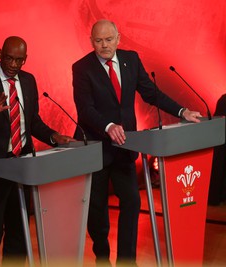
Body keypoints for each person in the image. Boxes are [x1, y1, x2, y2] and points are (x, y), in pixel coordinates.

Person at [72, 19, 201, 266]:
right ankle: (101, 257)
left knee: (131, 200)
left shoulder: (131, 59)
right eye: (98, 41)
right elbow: (84, 109)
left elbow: (151, 93)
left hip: (125, 147)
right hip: (95, 149)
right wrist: (108, 127)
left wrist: (182, 111)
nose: (104, 45)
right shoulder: (82, 68)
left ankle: (126, 261)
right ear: (91, 42)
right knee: (96, 210)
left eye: (109, 40)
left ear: (118, 39)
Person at [0, 36, 75, 265]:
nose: (13, 64)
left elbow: (33, 121)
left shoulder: (28, 80)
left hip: (21, 166)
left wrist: (53, 137)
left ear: (26, 59)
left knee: (20, 229)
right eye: (9, 58)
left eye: (19, 60)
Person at [208, 94, 226, 206]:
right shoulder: (224, 100)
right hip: (220, 138)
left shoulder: (223, 99)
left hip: (219, 138)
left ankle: (216, 197)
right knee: (219, 167)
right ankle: (215, 197)